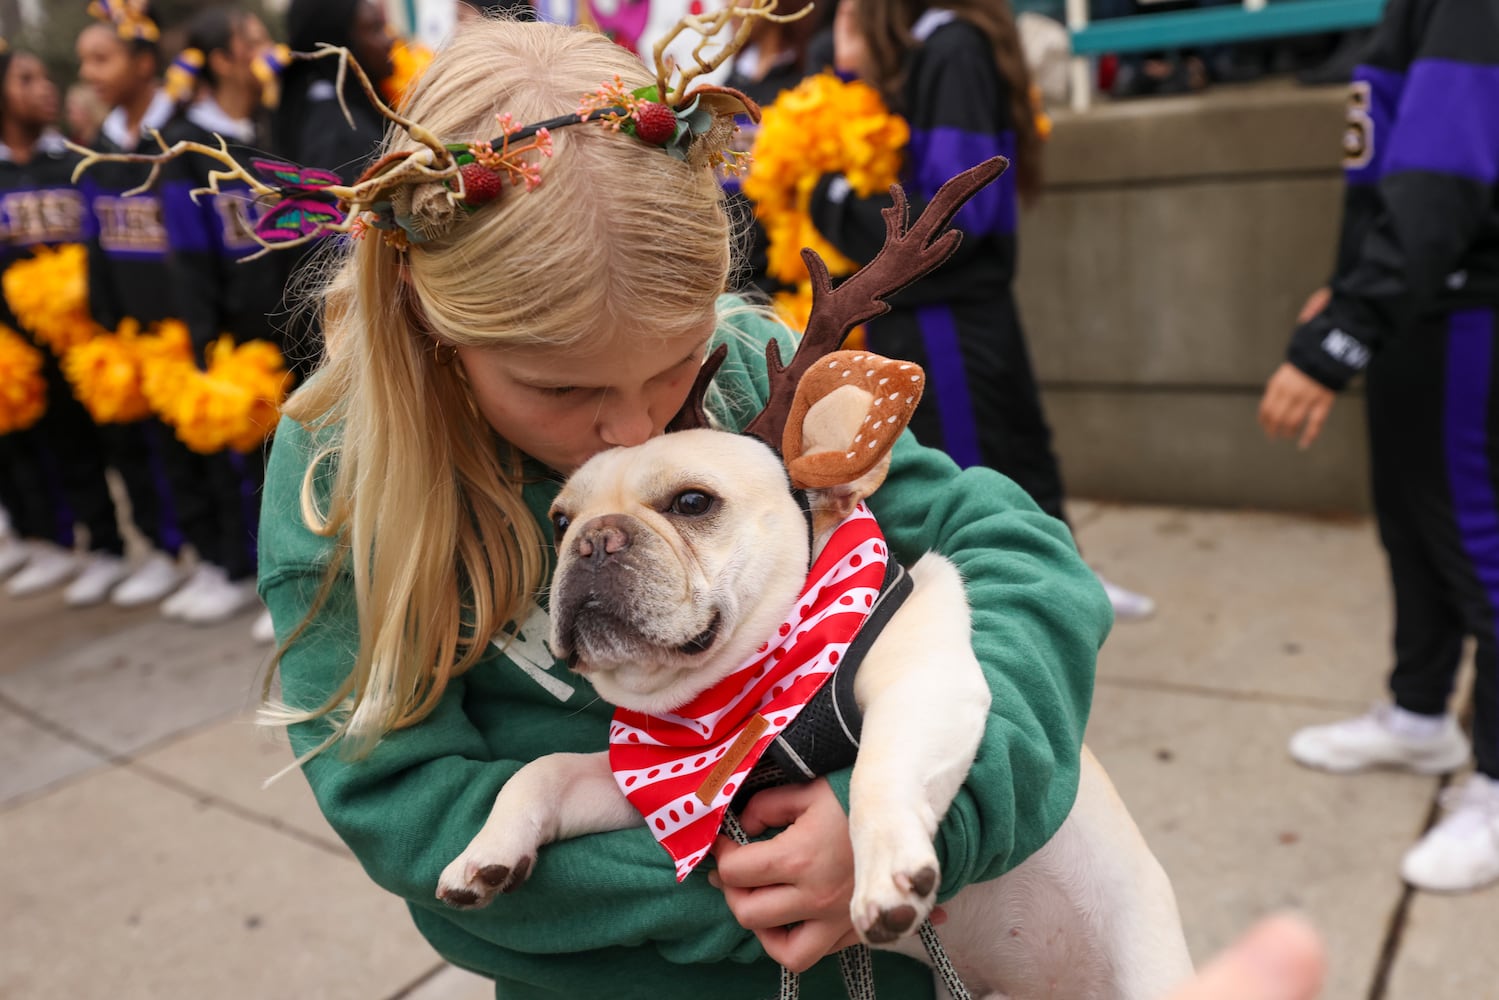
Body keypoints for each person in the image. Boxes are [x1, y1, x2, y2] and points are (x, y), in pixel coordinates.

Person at [254, 17, 1110, 997]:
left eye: (669, 367)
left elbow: (1011, 554)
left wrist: (917, 817)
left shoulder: (753, 366)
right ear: (426, 314)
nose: (629, 428)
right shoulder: (340, 486)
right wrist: (751, 881)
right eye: (563, 392)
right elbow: (405, 808)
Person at [1258, 0, 1499, 894]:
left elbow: (1442, 184)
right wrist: (1348, 285)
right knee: (1412, 525)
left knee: (1480, 550)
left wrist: (1342, 333)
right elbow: (1394, 167)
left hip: (1465, 313)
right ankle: (1418, 712)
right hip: (1418, 308)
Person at [808, 0, 1155, 620]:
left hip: (949, 316)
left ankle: (1041, 604)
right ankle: (1064, 585)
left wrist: (828, 196)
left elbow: (958, 211)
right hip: (942, 313)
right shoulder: (931, 47)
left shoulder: (952, 47)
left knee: (978, 475)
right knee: (1005, 453)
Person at [157, 6, 281, 640]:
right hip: (237, 344)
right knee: (253, 469)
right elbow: (188, 256)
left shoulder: (269, 126)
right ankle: (252, 576)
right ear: (225, 59)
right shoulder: (187, 148)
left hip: (293, 332)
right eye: (254, 42)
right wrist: (207, 347)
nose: (268, 51)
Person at [0, 43, 128, 601]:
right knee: (43, 445)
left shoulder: (75, 158)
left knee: (111, 444)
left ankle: (120, 545)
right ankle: (65, 541)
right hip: (18, 345)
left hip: (86, 337)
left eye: (43, 75)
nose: (44, 87)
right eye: (26, 79)